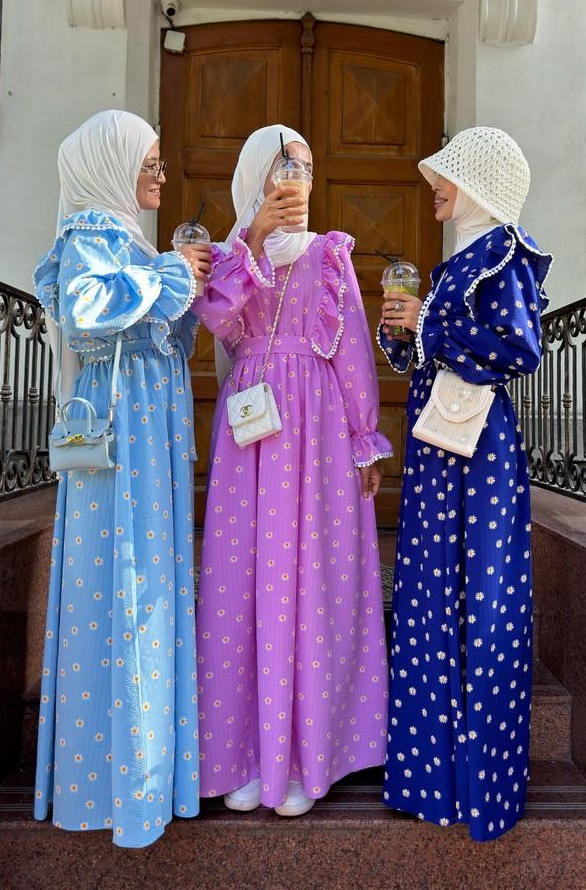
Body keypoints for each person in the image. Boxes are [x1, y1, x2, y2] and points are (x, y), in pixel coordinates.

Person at [191, 124, 392, 817]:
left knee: (312, 578)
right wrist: (250, 239)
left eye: (304, 164)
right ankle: (246, 754)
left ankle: (308, 758)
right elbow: (217, 321)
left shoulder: (329, 255)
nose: (295, 176)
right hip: (251, 433)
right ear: (257, 176)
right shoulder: (230, 257)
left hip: (318, 432)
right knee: (244, 581)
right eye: (282, 164)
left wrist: (364, 439)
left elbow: (353, 349)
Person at [33, 109, 211, 847]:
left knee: (148, 578)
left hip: (148, 425)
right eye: (149, 163)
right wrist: (168, 273)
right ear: (111, 165)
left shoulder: (128, 240)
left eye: (160, 163)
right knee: (124, 577)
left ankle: (148, 773)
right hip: (120, 429)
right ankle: (114, 782)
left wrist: (180, 281)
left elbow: (161, 331)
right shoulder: (89, 233)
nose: (160, 176)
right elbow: (85, 314)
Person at [379, 126, 552, 841]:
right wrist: (405, 336)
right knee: (431, 589)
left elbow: (519, 348)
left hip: (477, 452)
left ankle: (479, 786)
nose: (435, 188)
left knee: (479, 598)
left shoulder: (504, 252)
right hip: (439, 446)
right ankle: (432, 780)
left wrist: (429, 328)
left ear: (480, 184)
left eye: (446, 175)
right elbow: (438, 353)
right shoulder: (460, 260)